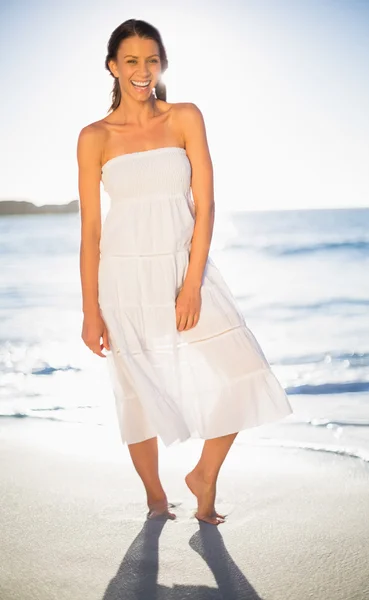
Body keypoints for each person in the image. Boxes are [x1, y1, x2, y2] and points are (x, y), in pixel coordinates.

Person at [77, 18, 293, 526]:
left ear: (162, 64)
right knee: (136, 394)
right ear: (113, 66)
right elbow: (90, 232)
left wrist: (192, 282)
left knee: (245, 369)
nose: (142, 70)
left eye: (151, 59)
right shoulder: (94, 137)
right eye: (131, 60)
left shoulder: (185, 118)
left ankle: (202, 476)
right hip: (123, 280)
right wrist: (91, 310)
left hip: (183, 269)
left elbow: (207, 203)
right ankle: (155, 495)